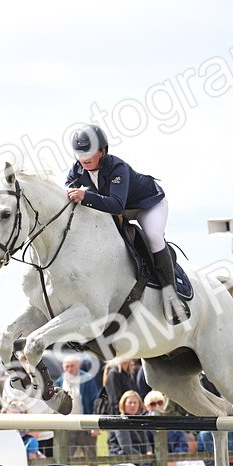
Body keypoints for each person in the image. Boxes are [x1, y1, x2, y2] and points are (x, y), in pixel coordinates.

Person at [64, 124, 186, 324]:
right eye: (79, 152)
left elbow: (116, 204)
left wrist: (86, 196)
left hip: (147, 205)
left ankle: (172, 298)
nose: (84, 157)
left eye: (89, 152)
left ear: (102, 151)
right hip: (119, 208)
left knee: (154, 237)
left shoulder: (116, 167)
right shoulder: (76, 170)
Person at [108, 390, 154, 465]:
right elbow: (126, 447)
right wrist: (143, 459)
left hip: (139, 461)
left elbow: (146, 442)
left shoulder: (138, 421)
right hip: (122, 460)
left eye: (135, 403)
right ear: (123, 404)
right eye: (130, 403)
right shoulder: (120, 421)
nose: (133, 405)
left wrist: (149, 451)